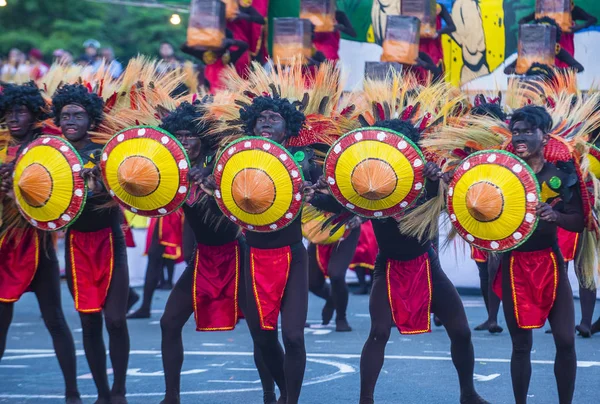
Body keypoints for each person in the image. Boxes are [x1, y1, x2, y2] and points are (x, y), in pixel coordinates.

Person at [353, 119, 488, 404]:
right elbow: (345, 201)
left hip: (427, 265)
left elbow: (438, 203)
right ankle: (366, 399)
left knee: (461, 332)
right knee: (378, 332)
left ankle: (469, 393)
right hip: (388, 267)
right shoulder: (370, 179)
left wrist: (434, 178)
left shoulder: (426, 176)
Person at [156, 100, 276, 404]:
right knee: (169, 323)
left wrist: (214, 180)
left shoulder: (224, 161)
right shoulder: (175, 169)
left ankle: (271, 394)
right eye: (178, 136)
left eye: (190, 135)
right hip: (203, 259)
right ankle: (171, 397)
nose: (184, 142)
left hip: (240, 255)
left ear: (203, 137)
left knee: (261, 333)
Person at [0, 82, 82, 404]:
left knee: (55, 320)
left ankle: (72, 393)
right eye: (8, 113)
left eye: (20, 111)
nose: (13, 118)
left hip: (39, 243)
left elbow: (62, 191)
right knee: (1, 322)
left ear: (34, 114)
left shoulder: (50, 146)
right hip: (5, 244)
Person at [52, 84, 130, 404]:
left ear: (91, 119)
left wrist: (105, 183)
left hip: (110, 241)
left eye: (78, 115)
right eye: (65, 115)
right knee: (89, 319)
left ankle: (119, 390)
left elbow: (126, 189)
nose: (71, 120)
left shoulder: (107, 150)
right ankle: (101, 394)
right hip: (76, 246)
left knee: (115, 320)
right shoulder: (53, 154)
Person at [499, 106, 582, 404]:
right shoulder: (501, 174)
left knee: (566, 341)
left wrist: (555, 216)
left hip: (550, 263)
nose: (519, 136)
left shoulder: (561, 175)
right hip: (512, 266)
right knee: (521, 345)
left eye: (527, 131)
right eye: (516, 131)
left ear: (543, 136)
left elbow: (579, 221)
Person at [307, 216, 362, 331]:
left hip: (347, 227)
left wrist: (360, 217)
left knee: (336, 274)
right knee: (311, 282)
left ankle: (341, 317)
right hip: (319, 226)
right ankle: (332, 298)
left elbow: (371, 201)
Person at [127, 210, 185, 318]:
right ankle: (145, 306)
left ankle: (145, 306)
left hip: (171, 209)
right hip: (167, 210)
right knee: (155, 256)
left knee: (155, 257)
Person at [519, 1, 597, 68]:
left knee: (564, 70)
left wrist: (579, 27)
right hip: (544, 48)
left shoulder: (571, 9)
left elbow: (592, 19)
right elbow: (523, 20)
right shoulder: (544, 11)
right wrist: (530, 30)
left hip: (565, 46)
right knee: (547, 71)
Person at [504, 18, 584, 74]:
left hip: (552, 89)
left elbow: (579, 67)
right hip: (530, 88)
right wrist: (520, 70)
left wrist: (557, 71)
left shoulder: (555, 49)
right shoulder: (529, 52)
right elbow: (507, 69)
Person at [181, 29, 249, 92]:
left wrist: (231, 41)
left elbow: (245, 46)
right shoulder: (206, 57)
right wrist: (200, 39)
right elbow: (184, 48)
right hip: (212, 97)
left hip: (229, 95)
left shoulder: (231, 57)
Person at [418, 3, 456, 73]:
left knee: (435, 78)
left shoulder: (438, 7)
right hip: (416, 52)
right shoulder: (411, 8)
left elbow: (452, 27)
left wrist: (438, 32)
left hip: (434, 51)